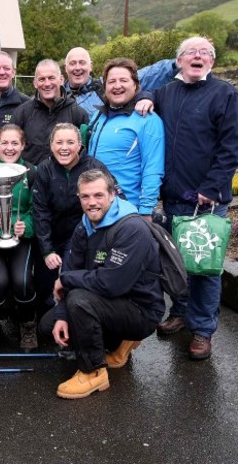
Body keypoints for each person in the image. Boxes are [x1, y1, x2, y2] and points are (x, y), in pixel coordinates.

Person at [136, 37, 238, 360]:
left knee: (206, 267)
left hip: (207, 200)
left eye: (205, 53)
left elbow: (232, 148)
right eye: (190, 53)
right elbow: (147, 93)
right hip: (173, 198)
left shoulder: (225, 94)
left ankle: (202, 329)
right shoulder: (167, 92)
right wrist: (144, 96)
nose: (197, 56)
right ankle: (181, 312)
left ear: (211, 62)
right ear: (179, 61)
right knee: (177, 264)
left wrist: (211, 188)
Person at [40, 169, 165, 399]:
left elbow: (111, 284)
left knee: (79, 301)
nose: (92, 203)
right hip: (111, 302)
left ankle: (93, 372)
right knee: (49, 325)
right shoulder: (84, 225)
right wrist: (61, 315)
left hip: (140, 309)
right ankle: (118, 344)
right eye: (85, 197)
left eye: (98, 195)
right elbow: (71, 268)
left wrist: (66, 281)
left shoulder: (131, 228)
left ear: (112, 194)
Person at [32, 123, 119, 308]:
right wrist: (47, 250)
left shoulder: (95, 167)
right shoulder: (44, 169)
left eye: (70, 142)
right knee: (44, 286)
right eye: (59, 142)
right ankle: (47, 324)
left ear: (80, 145)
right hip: (52, 236)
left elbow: (115, 199)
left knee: (74, 284)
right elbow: (40, 212)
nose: (64, 148)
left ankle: (77, 322)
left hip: (84, 236)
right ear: (51, 145)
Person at [0, 124, 37, 353]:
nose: (9, 148)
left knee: (22, 282)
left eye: (15, 143)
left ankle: (28, 324)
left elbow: (36, 209)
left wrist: (26, 226)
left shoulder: (32, 172)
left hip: (21, 237)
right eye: (4, 143)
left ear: (23, 145)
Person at [86, 57, 165, 217]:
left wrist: (146, 211)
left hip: (127, 210)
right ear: (104, 86)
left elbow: (153, 168)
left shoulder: (148, 120)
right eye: (111, 81)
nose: (117, 86)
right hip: (95, 208)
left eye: (123, 80)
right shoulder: (97, 117)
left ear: (135, 85)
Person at [11, 59, 89, 165]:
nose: (47, 84)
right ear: (35, 83)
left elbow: (85, 153)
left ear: (61, 80)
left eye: (51, 78)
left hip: (65, 180)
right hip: (31, 178)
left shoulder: (78, 114)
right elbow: (10, 147)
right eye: (42, 79)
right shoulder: (22, 113)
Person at [64, 47, 177, 117]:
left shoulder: (106, 86)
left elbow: (149, 75)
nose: (77, 67)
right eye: (72, 63)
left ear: (91, 66)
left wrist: (176, 64)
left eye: (82, 63)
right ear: (65, 68)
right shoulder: (59, 97)